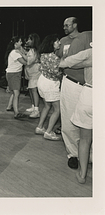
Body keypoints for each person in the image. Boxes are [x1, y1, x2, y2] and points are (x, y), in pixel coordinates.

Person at [57, 17, 91, 169]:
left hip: (90, 88)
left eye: (67, 25)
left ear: (75, 25)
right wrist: (57, 50)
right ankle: (73, 154)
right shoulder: (63, 40)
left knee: (89, 124)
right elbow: (59, 60)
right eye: (64, 25)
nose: (64, 27)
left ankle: (89, 155)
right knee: (69, 121)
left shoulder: (88, 36)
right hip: (71, 83)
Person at [35, 34, 62, 141]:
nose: (59, 43)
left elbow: (41, 68)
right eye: (57, 41)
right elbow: (56, 72)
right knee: (57, 109)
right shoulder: (54, 57)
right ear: (52, 43)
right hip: (51, 83)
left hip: (42, 80)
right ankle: (49, 131)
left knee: (46, 106)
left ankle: (40, 127)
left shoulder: (43, 55)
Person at [4, 36, 28, 119]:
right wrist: (22, 53)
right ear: (15, 43)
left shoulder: (17, 51)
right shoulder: (14, 53)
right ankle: (16, 113)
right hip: (13, 74)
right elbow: (25, 62)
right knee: (16, 94)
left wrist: (22, 51)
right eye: (20, 41)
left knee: (15, 93)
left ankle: (10, 106)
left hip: (15, 74)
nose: (21, 43)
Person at [24, 33, 41, 118]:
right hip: (31, 73)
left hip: (35, 73)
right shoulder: (31, 50)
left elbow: (29, 61)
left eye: (30, 39)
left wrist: (22, 55)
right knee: (31, 90)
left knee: (34, 90)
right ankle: (33, 106)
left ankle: (36, 110)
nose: (27, 41)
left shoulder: (34, 51)